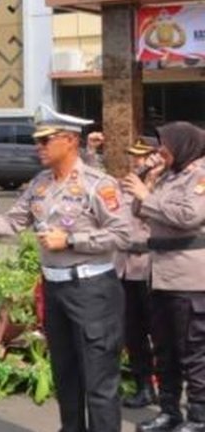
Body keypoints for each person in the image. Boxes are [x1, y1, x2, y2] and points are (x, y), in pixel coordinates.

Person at [0, 105, 129, 432]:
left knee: (99, 378)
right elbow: (13, 220)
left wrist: (71, 240)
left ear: (70, 141)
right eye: (37, 141)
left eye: (46, 140)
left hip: (92, 290)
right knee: (65, 373)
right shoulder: (40, 183)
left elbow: (123, 233)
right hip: (56, 289)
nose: (38, 147)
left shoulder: (99, 184)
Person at [125, 122, 205, 432]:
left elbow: (189, 216)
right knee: (165, 348)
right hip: (160, 275)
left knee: (193, 351)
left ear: (184, 144)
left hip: (190, 277)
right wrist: (147, 178)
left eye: (166, 145)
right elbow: (139, 210)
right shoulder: (170, 175)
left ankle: (199, 416)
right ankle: (170, 411)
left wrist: (148, 196)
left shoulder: (199, 175)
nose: (161, 151)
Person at [118, 135, 162, 410]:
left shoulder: (163, 184)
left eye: (143, 156)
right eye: (134, 156)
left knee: (161, 333)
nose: (137, 160)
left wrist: (150, 183)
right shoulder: (129, 181)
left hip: (151, 266)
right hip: (125, 267)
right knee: (132, 332)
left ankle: (171, 390)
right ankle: (144, 387)